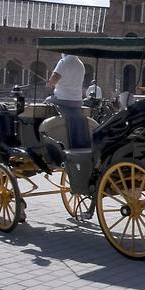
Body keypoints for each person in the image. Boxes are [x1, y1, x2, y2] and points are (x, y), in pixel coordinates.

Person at [46, 53, 92, 196]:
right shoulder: (80, 64)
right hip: (77, 101)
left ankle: (42, 140)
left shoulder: (63, 62)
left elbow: (53, 80)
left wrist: (50, 83)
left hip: (62, 100)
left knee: (46, 102)